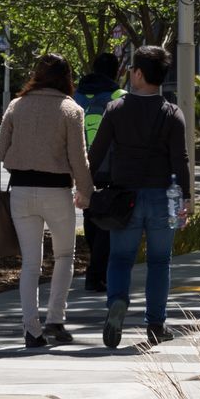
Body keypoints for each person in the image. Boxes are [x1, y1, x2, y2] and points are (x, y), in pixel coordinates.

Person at [88, 44, 192, 348]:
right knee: (160, 261)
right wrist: (184, 198)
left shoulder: (116, 110)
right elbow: (180, 160)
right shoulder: (173, 114)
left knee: (120, 258)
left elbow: (96, 154)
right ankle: (156, 325)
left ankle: (117, 303)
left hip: (124, 198)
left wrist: (83, 186)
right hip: (162, 197)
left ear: (137, 74)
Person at [0, 53, 92, 348]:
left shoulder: (17, 106)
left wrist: (18, 159)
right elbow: (79, 158)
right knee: (64, 256)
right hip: (56, 190)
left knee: (30, 264)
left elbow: (1, 151)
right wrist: (85, 191)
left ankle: (31, 328)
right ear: (66, 77)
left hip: (22, 190)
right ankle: (55, 318)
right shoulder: (70, 109)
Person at [73, 52, 123, 293]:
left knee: (91, 217)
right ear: (117, 71)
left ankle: (95, 268)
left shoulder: (76, 97)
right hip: (111, 168)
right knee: (108, 220)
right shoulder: (119, 97)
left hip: (82, 167)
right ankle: (96, 274)